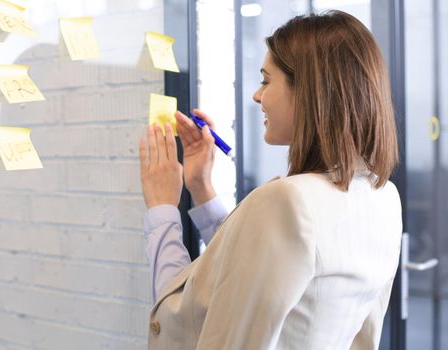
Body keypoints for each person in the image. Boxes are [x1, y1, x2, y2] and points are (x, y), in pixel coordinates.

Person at [138, 10, 402, 350]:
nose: (257, 96)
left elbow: (181, 319)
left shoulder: (289, 200)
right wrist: (201, 187)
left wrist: (162, 210)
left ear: (309, 91)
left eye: (266, 80)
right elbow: (258, 275)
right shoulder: (383, 196)